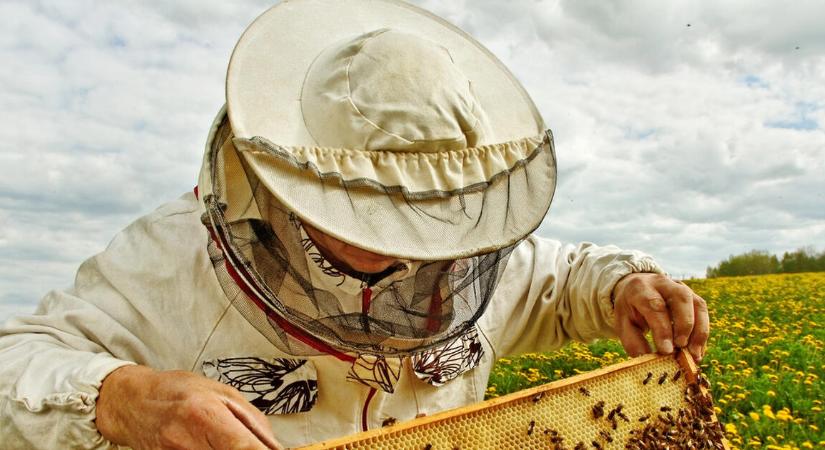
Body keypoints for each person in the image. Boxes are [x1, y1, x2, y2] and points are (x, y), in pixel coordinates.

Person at [0, 1, 709, 449]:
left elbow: (561, 280)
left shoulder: (469, 259)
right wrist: (125, 398)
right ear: (291, 178)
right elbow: (16, 363)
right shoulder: (167, 256)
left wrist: (624, 285)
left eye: (417, 214)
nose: (389, 242)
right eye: (363, 211)